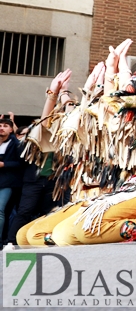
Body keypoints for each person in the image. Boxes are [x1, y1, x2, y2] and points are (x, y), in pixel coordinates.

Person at [8, 70, 73, 244]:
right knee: (24, 212)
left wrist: (65, 93)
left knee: (53, 212)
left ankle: (46, 241)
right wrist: (54, 94)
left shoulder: (67, 138)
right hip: (35, 180)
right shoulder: (42, 133)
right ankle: (11, 242)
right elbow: (45, 121)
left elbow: (72, 116)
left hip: (57, 181)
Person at [0, 116, 23, 240]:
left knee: (1, 210)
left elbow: (22, 163)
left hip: (8, 183)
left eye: (5, 126)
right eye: (0, 125)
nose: (1, 128)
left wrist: (4, 165)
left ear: (11, 130)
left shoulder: (16, 144)